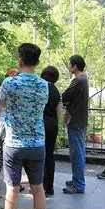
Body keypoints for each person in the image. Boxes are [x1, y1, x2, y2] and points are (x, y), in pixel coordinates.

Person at [0, 43, 48, 209]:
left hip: (14, 144)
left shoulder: (9, 83)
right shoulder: (44, 85)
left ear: (20, 60)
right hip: (37, 143)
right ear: (36, 62)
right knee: (38, 188)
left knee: (12, 189)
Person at [62, 55, 89, 194]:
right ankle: (77, 179)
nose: (69, 67)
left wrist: (66, 102)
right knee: (78, 152)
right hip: (80, 120)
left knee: (76, 153)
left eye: (70, 65)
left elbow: (65, 96)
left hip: (76, 121)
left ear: (75, 66)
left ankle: (78, 184)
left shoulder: (79, 80)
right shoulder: (84, 79)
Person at [0, 68, 19, 184]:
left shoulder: (1, 92)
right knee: (14, 158)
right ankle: (14, 182)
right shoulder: (20, 93)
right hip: (14, 129)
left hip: (0, 127)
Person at [40, 66, 61, 196]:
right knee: (50, 155)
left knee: (40, 155)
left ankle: (41, 185)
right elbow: (59, 111)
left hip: (40, 122)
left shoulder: (40, 87)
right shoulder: (56, 90)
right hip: (52, 124)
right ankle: (50, 187)